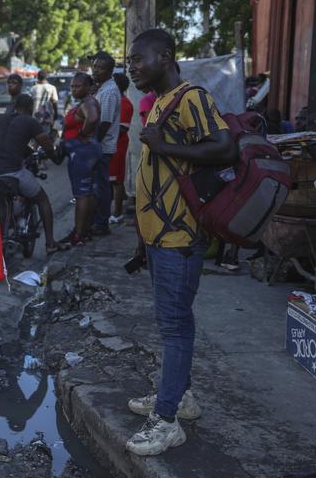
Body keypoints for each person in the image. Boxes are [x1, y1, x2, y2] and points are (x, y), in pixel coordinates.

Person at [126, 28, 236, 456]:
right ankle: (180, 396)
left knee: (174, 329)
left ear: (166, 57)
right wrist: (141, 239)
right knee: (174, 323)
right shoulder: (161, 104)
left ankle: (168, 420)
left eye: (139, 59)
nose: (132, 66)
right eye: (130, 61)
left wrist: (165, 144)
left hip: (180, 236)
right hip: (159, 235)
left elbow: (224, 149)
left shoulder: (193, 97)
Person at [0, 93, 69, 254]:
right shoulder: (30, 121)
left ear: (14, 106)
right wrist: (55, 159)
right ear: (31, 108)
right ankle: (50, 243)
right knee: (43, 200)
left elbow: (5, 143)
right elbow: (47, 146)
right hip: (13, 173)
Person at [61, 73, 101, 246]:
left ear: (88, 87)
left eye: (78, 86)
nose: (74, 89)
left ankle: (78, 235)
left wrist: (82, 135)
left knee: (82, 195)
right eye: (72, 86)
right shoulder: (86, 101)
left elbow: (92, 118)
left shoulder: (88, 102)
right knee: (88, 192)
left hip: (83, 153)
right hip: (87, 152)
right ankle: (84, 230)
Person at [90, 52, 120, 236]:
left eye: (100, 68)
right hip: (100, 146)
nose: (95, 70)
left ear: (109, 70)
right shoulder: (102, 88)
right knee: (99, 185)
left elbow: (105, 122)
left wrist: (93, 144)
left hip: (102, 146)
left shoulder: (109, 92)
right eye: (95, 67)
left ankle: (101, 223)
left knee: (101, 186)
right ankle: (98, 220)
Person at [109, 73, 134, 223]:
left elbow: (122, 128)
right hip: (112, 145)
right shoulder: (117, 100)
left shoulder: (124, 103)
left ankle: (117, 213)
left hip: (117, 146)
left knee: (117, 181)